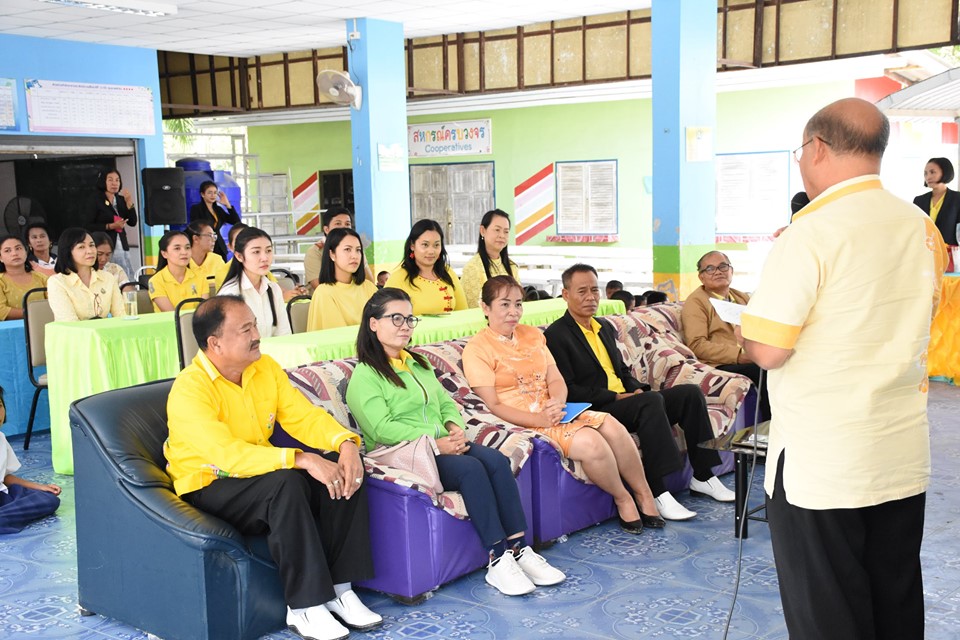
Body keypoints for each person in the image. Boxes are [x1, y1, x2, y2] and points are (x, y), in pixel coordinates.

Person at [740, 98, 948, 640]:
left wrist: (747, 325)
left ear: (817, 149)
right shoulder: (920, 227)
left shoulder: (812, 230)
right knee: (895, 594)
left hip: (825, 462)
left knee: (828, 609)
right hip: (899, 449)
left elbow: (767, 349)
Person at [164, 296, 381, 640]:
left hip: (258, 472)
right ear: (214, 343)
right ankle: (305, 606)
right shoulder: (190, 389)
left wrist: (345, 444)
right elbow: (227, 455)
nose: (257, 333)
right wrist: (303, 459)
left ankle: (341, 590)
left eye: (255, 323)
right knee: (286, 485)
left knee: (343, 471)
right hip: (209, 482)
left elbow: (302, 416)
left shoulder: (263, 367)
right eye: (245, 328)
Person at [346, 288, 565, 596]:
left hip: (440, 443)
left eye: (409, 319)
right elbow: (382, 429)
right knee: (470, 470)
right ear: (373, 324)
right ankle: (497, 558)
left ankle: (519, 548)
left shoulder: (417, 364)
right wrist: (437, 441)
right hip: (401, 453)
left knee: (495, 461)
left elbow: (445, 402)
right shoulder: (365, 375)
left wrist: (453, 426)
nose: (404, 326)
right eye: (395, 318)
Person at [463, 276, 664, 534]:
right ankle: (623, 498)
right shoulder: (477, 348)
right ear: (485, 307)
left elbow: (556, 378)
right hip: (524, 418)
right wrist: (540, 420)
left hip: (555, 410)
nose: (513, 312)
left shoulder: (533, 335)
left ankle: (645, 494)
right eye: (504, 305)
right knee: (592, 442)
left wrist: (557, 403)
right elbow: (491, 404)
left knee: (612, 425)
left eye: (518, 304)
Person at [544, 264, 734, 522]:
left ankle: (704, 475)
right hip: (598, 408)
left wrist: (634, 389)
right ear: (566, 294)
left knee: (688, 394)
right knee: (650, 402)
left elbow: (621, 370)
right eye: (582, 291)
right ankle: (658, 491)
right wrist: (616, 397)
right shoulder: (557, 335)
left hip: (628, 401)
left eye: (594, 290)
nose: (590, 297)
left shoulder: (603, 328)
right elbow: (569, 387)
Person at [680, 251, 770, 422]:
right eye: (710, 269)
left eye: (723, 266)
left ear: (731, 271)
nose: (718, 271)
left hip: (751, 354)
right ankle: (769, 428)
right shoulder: (697, 302)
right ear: (701, 277)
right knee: (763, 371)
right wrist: (739, 356)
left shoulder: (740, 297)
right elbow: (697, 344)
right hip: (720, 363)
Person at [0, 386, 61, 534]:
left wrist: (40, 487)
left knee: (50, 500)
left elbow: (5, 477)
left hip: (4, 497)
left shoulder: (1, 438)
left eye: (0, 406)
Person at [217, 227, 291, 337]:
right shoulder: (230, 294)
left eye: (268, 251)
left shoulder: (274, 289)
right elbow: (230, 342)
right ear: (239, 256)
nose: (264, 258)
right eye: (256, 252)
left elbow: (284, 335)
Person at [385, 219, 467, 315]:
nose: (431, 251)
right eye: (425, 245)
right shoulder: (398, 279)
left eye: (436, 245)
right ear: (412, 245)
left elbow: (463, 313)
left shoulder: (448, 273)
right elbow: (385, 318)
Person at [306, 228, 377, 331]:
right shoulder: (324, 293)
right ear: (332, 254)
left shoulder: (369, 287)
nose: (354, 256)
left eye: (358, 250)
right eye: (347, 249)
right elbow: (337, 337)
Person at [47, 227, 125, 321]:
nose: (90, 251)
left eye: (92, 245)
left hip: (104, 334)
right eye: (81, 247)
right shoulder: (57, 282)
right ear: (68, 252)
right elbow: (69, 323)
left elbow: (121, 315)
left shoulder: (108, 278)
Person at [303, 207, 375, 291]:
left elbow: (369, 282)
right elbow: (319, 286)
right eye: (338, 224)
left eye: (347, 224)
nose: (343, 228)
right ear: (326, 229)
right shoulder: (315, 252)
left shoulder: (356, 248)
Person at [460, 209, 521, 308]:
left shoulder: (512, 267)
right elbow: (474, 309)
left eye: (506, 232)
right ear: (483, 231)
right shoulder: (472, 268)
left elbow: (518, 303)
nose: (502, 235)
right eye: (497, 230)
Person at [83, 169, 137, 277]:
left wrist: (129, 202)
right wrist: (110, 226)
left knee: (124, 275)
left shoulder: (121, 200)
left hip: (121, 244)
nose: (115, 183)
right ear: (103, 181)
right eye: (110, 180)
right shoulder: (95, 199)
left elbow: (132, 222)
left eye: (117, 180)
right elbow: (88, 225)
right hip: (103, 246)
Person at [148, 230, 206, 313]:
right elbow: (172, 315)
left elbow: (204, 312)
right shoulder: (155, 281)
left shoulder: (200, 277)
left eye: (187, 247)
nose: (184, 252)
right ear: (164, 254)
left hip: (197, 324)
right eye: (177, 248)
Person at [188, 180, 241, 259]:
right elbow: (195, 228)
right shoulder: (196, 209)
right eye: (209, 192)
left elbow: (236, 221)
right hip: (205, 246)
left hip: (219, 246)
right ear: (202, 194)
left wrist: (227, 205)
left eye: (215, 193)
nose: (213, 195)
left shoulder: (218, 209)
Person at [913, 156, 959, 247]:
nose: (928, 177)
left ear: (945, 172)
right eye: (925, 173)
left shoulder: (957, 199)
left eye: (932, 172)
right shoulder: (919, 200)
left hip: (950, 255)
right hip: (925, 252)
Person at [0, 236, 47, 321]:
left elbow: (54, 303)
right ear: (0, 258)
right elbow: (2, 311)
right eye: (7, 251)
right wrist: (34, 312)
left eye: (18, 248)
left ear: (26, 252)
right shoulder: (1, 281)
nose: (14, 253)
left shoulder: (41, 278)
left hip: (43, 324)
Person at [186, 220, 226, 294]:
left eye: (214, 236)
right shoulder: (182, 261)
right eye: (210, 235)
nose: (213, 239)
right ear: (196, 239)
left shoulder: (217, 260)